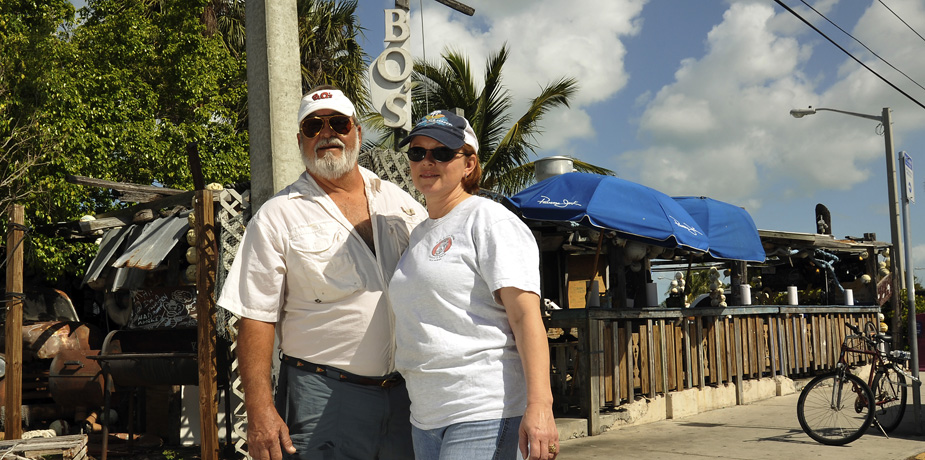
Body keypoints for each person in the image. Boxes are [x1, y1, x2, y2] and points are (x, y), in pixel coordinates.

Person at [217, 86, 426, 460]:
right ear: (301, 140)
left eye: (338, 123)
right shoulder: (277, 215)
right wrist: (260, 411)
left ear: (357, 132)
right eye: (314, 126)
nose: (326, 132)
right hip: (322, 396)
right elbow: (255, 318)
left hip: (405, 396)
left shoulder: (400, 202)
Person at [388, 110, 560, 460]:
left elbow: (527, 317)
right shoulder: (419, 233)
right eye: (418, 153)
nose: (427, 162)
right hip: (425, 415)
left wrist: (540, 406)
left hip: (484, 407)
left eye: (442, 153)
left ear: (469, 163)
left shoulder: (489, 221)